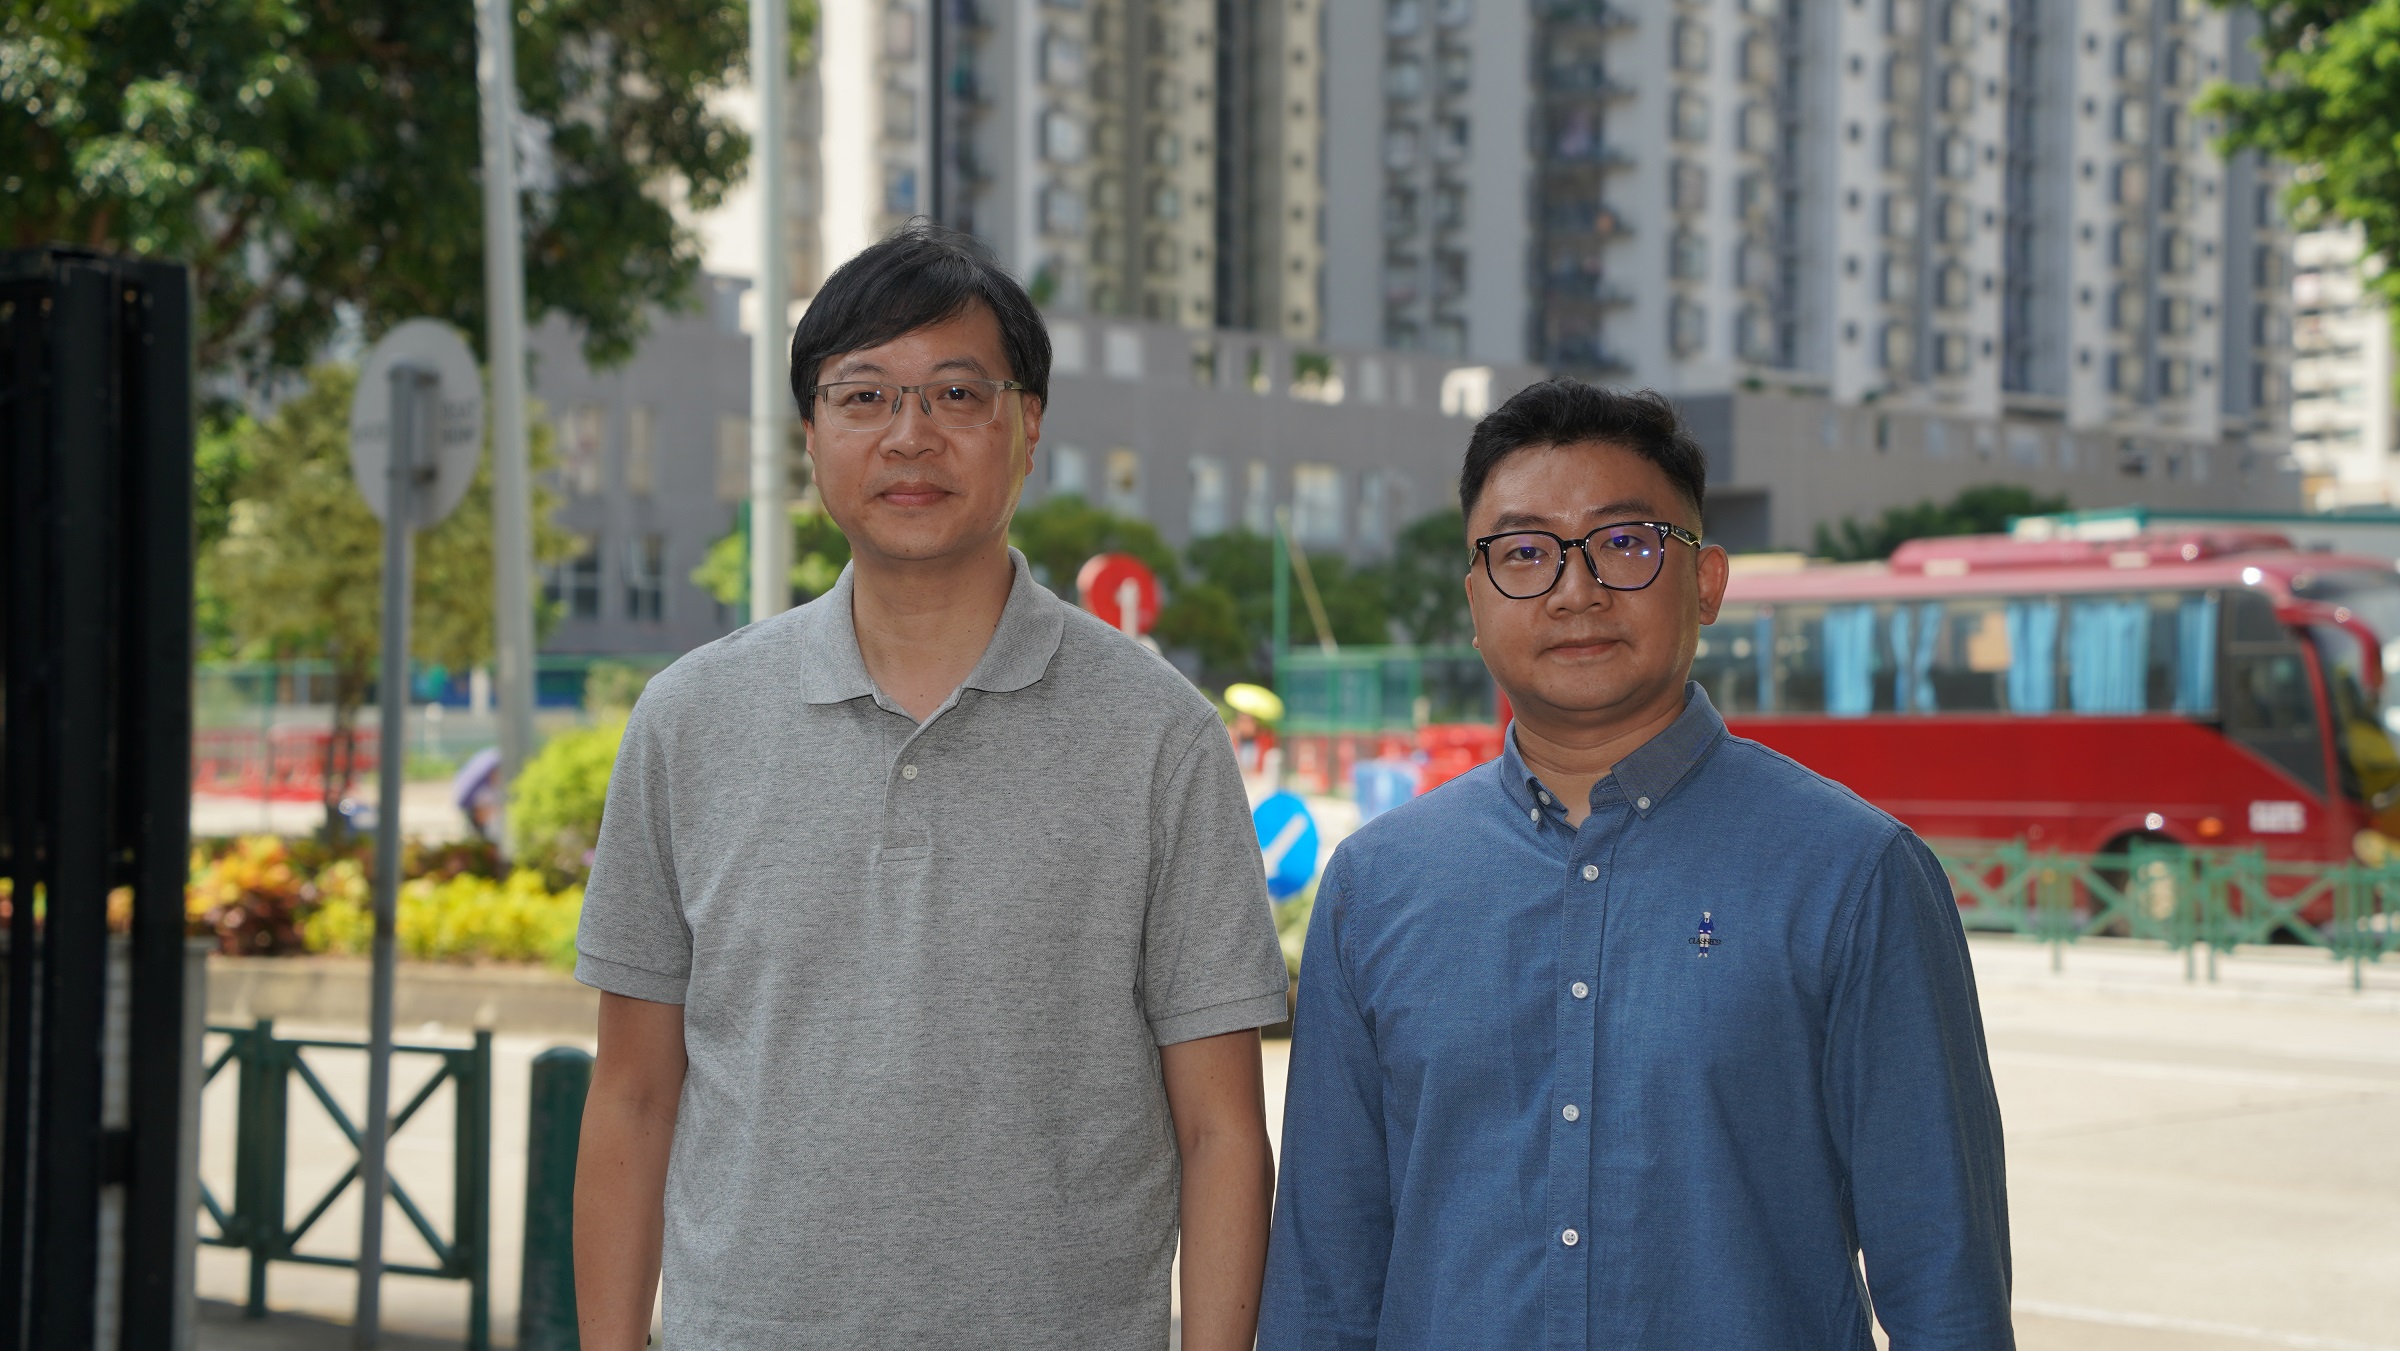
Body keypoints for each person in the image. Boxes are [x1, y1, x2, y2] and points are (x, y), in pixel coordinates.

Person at [571, 222, 1289, 1351]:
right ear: (810, 435)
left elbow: (1222, 1131)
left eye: (958, 394)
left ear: (1028, 425)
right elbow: (633, 1097)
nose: (910, 436)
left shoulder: (1161, 736)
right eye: (863, 397)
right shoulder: (687, 721)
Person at [1258, 381, 2012, 1350]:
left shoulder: (1857, 875)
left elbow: (1946, 1291)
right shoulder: (1373, 887)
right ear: (1475, 600)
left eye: (1624, 543)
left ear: (1707, 581)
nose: (1575, 591)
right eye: (1524, 553)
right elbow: (1323, 1285)